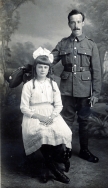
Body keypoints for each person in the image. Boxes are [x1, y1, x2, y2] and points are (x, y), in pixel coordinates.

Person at [52, 9, 101, 163]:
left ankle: (84, 151)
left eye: (79, 22)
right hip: (66, 89)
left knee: (84, 121)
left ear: (83, 23)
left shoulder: (91, 44)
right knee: (66, 121)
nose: (76, 25)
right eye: (72, 22)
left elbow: (97, 70)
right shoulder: (63, 43)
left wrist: (96, 93)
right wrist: (38, 60)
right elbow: (49, 60)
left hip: (85, 91)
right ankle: (65, 151)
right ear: (69, 24)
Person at [20, 47, 72, 184]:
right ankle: (55, 171)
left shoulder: (53, 84)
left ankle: (50, 164)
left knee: (63, 131)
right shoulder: (29, 85)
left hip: (51, 114)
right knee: (42, 133)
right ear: (35, 68)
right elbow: (24, 107)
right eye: (40, 67)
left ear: (49, 69)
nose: (42, 70)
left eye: (45, 67)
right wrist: (40, 117)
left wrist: (52, 116)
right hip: (33, 115)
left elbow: (59, 105)